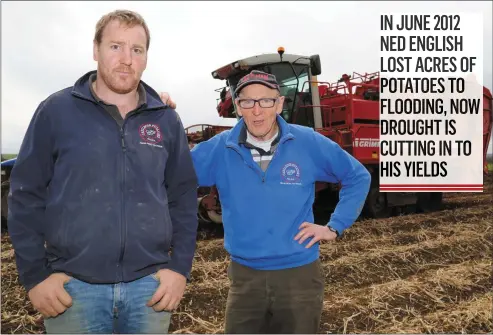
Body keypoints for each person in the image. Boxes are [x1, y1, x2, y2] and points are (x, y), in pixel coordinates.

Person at [8, 9, 198, 334]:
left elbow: (182, 198)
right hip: (73, 288)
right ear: (95, 50)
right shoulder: (56, 112)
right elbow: (25, 197)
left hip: (149, 288)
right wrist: (35, 276)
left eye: (137, 50)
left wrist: (179, 268)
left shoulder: (165, 120)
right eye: (115, 47)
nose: (126, 59)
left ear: (146, 57)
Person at [190, 70, 371, 333]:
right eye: (248, 102)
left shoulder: (306, 141)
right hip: (245, 278)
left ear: (279, 104)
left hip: (298, 277)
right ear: (238, 107)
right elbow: (173, 175)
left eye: (265, 101)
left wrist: (334, 226)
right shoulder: (221, 148)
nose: (257, 110)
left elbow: (357, 176)